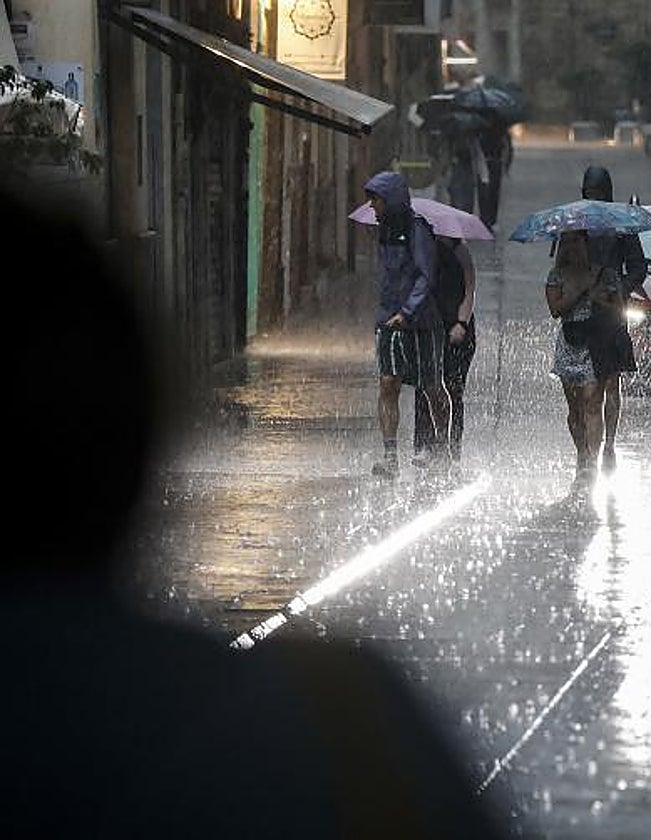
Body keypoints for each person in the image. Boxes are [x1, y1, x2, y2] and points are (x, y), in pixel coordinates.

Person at [0, 186, 515, 838]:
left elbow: (439, 276)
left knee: (429, 389)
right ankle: (404, 446)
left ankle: (438, 446)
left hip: (414, 324)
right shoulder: (343, 723)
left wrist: (420, 310)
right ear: (142, 445)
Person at [365, 170, 453, 477]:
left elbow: (425, 274)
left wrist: (408, 310)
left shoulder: (417, 231)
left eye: (375, 200)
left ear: (389, 200)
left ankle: (442, 445)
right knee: (388, 383)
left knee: (431, 386)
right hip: (388, 320)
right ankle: (390, 456)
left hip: (421, 323)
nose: (372, 207)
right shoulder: (384, 232)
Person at [580, 164, 648, 472]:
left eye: (598, 193)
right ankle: (591, 454)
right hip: (584, 313)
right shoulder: (576, 225)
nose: (594, 198)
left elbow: (638, 266)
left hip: (613, 314)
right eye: (589, 193)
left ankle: (609, 443)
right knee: (590, 388)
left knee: (611, 385)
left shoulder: (622, 227)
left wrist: (620, 287)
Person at [545, 229, 623, 484]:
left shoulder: (604, 274)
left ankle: (592, 459)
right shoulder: (557, 276)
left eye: (577, 241)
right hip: (570, 344)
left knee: (592, 402)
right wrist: (578, 292)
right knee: (575, 407)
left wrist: (598, 296)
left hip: (596, 343)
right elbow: (555, 309)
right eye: (567, 242)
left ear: (586, 243)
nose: (572, 247)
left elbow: (618, 309)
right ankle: (581, 452)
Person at [414, 233, 477, 464]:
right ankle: (425, 445)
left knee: (453, 388)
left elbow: (470, 289)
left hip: (456, 328)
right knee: (425, 387)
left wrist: (461, 322)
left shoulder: (460, 250)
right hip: (429, 325)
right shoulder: (421, 251)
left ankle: (451, 447)